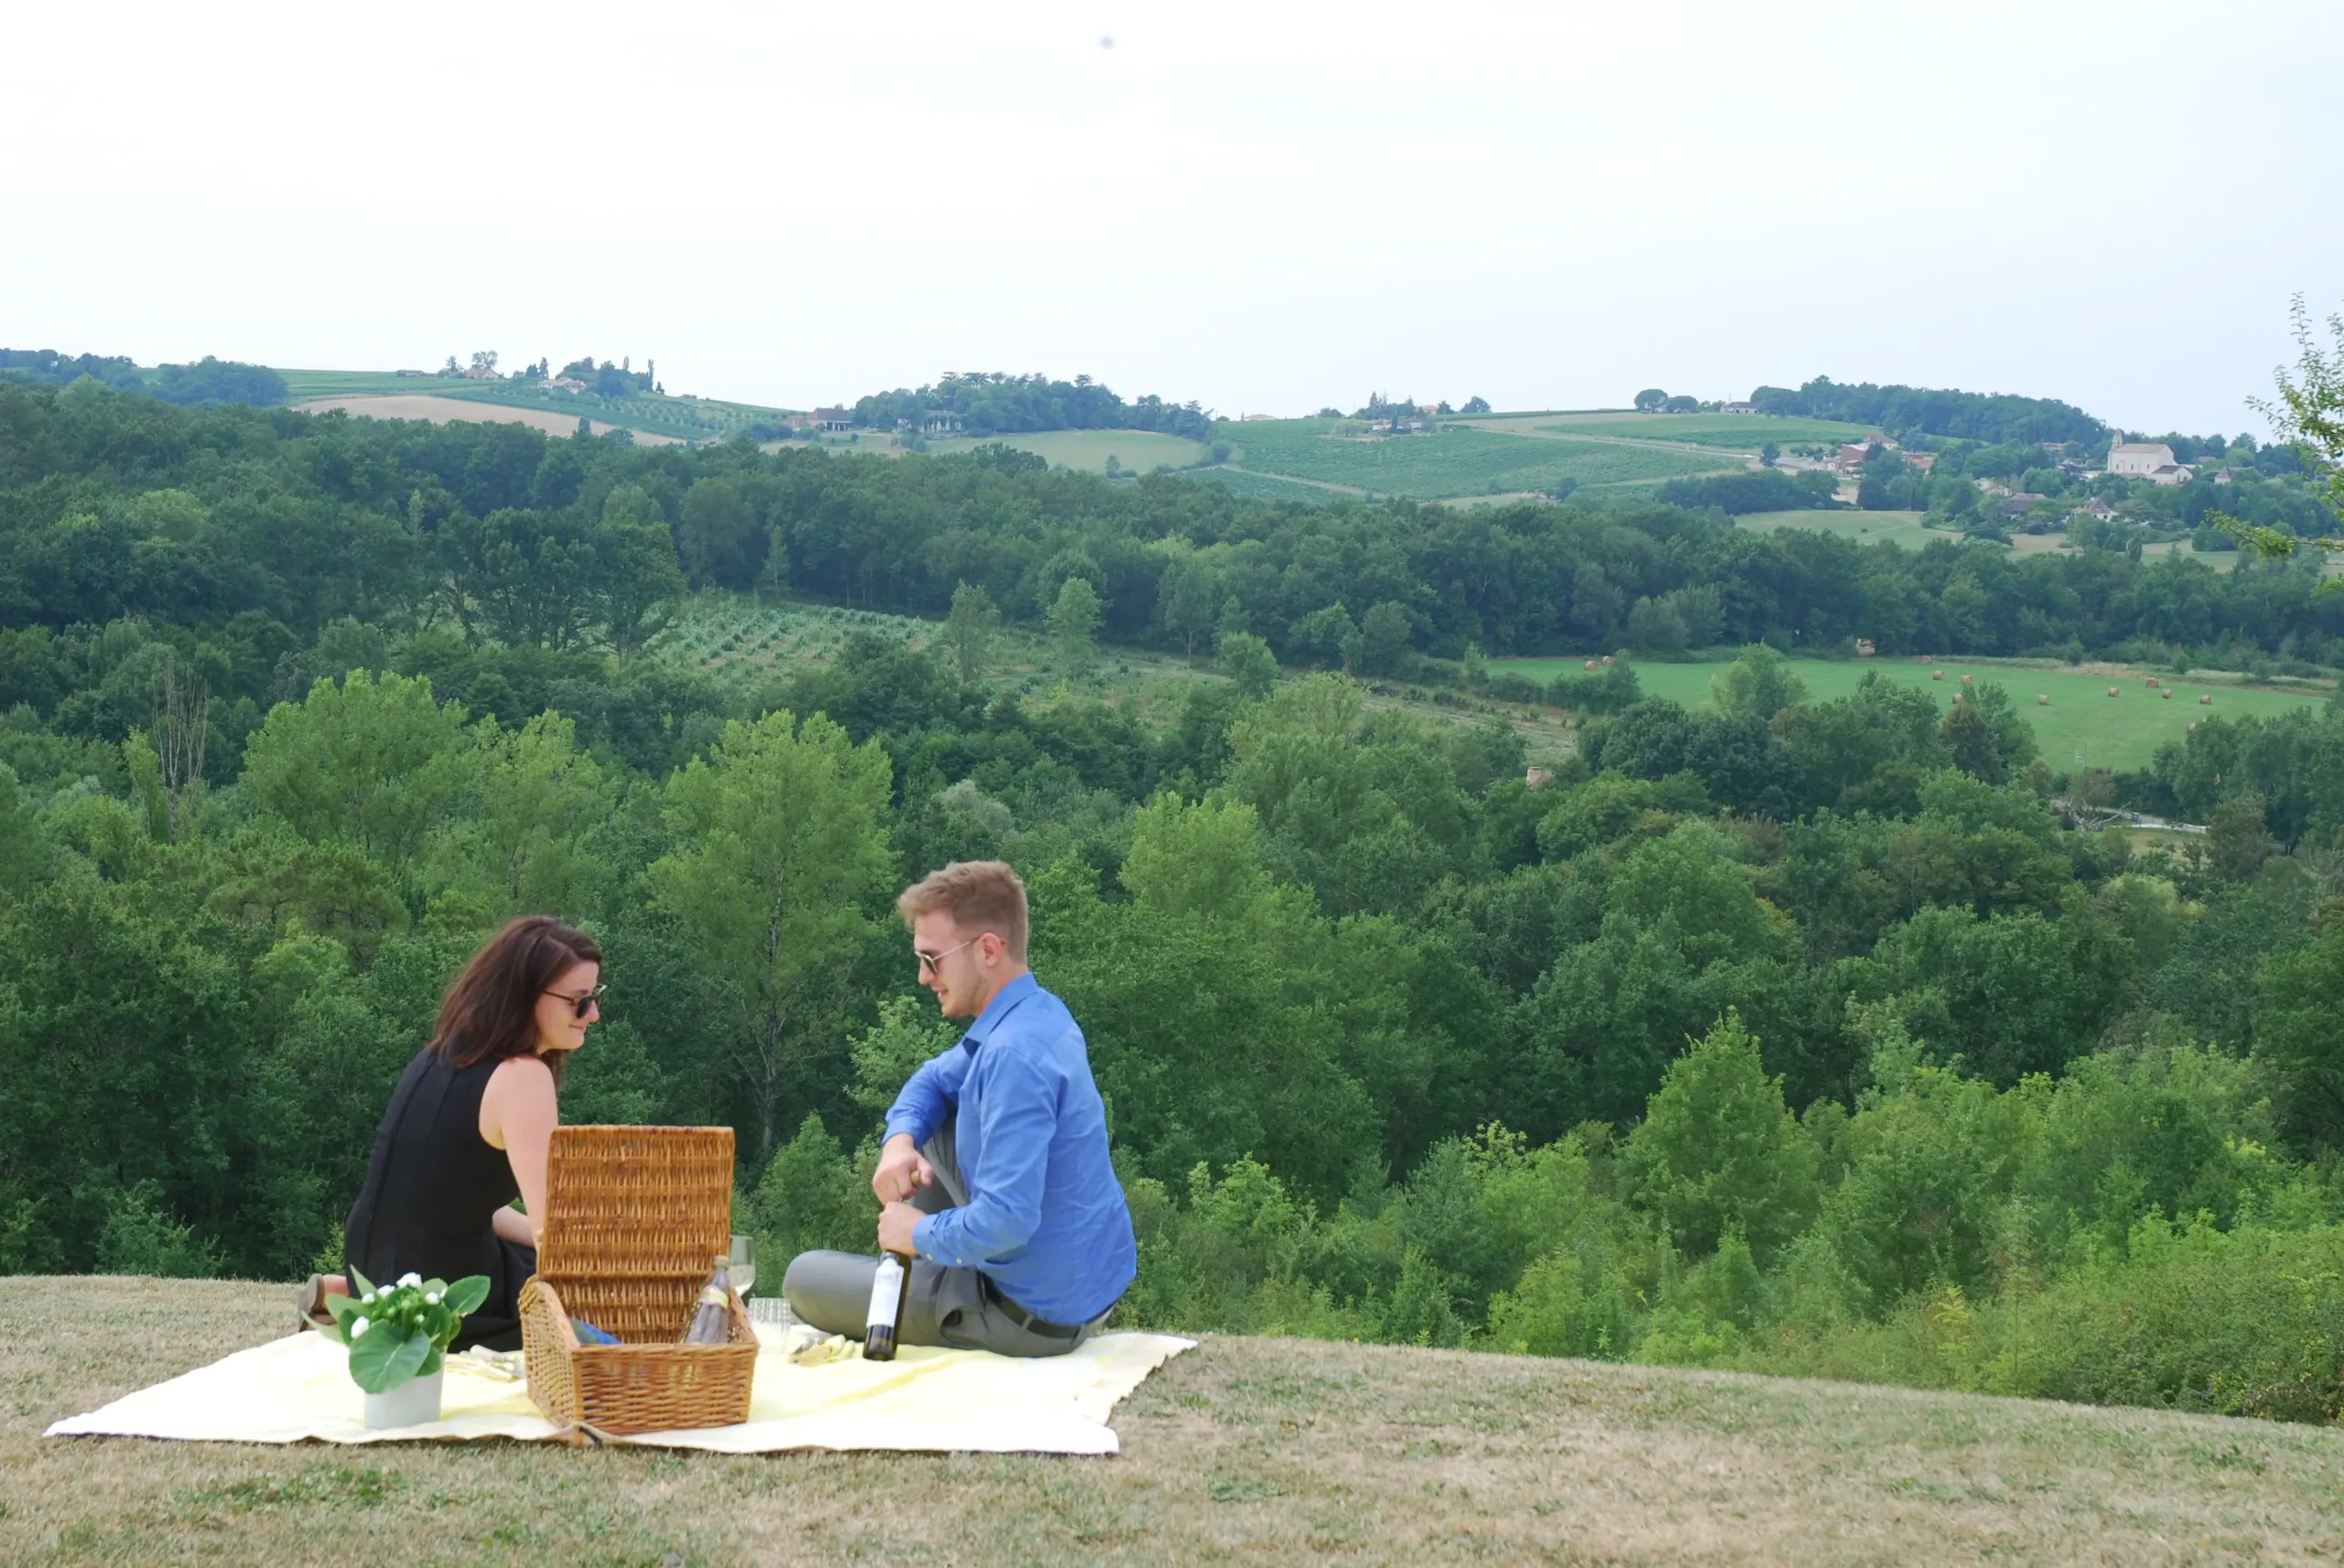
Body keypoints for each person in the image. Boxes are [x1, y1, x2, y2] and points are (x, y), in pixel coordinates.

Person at [783, 860, 1135, 1357]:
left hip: (1027, 1317)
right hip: (1084, 1283)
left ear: (988, 950)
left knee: (802, 1278)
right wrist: (898, 1143)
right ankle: (928, 1275)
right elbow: (932, 1079)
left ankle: (929, 1285)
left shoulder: (1012, 1058)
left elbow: (1009, 1219)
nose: (923, 977)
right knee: (937, 1113)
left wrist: (918, 1233)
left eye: (932, 960)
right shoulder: (1037, 1012)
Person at [298, 916, 602, 1350]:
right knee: (600, 1316)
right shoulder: (524, 1078)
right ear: (524, 996)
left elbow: (462, 1203)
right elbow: (554, 1232)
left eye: (595, 997)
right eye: (579, 1001)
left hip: (373, 1261)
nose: (593, 1014)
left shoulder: (441, 1056)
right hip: (445, 1290)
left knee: (526, 1259)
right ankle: (375, 1308)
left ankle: (358, 1298)